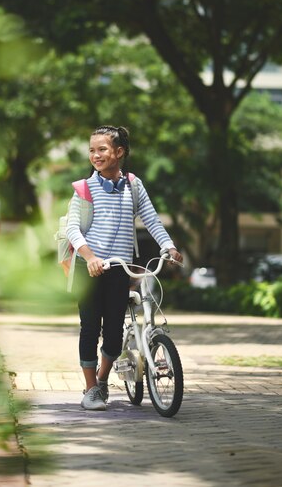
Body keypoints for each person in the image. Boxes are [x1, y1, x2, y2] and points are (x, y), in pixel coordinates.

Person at [66, 125, 183, 411]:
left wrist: (168, 246)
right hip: (90, 267)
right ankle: (90, 388)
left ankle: (102, 381)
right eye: (92, 150)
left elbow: (152, 220)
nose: (96, 155)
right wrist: (90, 256)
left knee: (115, 331)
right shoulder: (84, 188)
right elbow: (72, 229)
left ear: (119, 152)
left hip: (121, 268)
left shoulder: (133, 185)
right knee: (90, 328)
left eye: (102, 149)